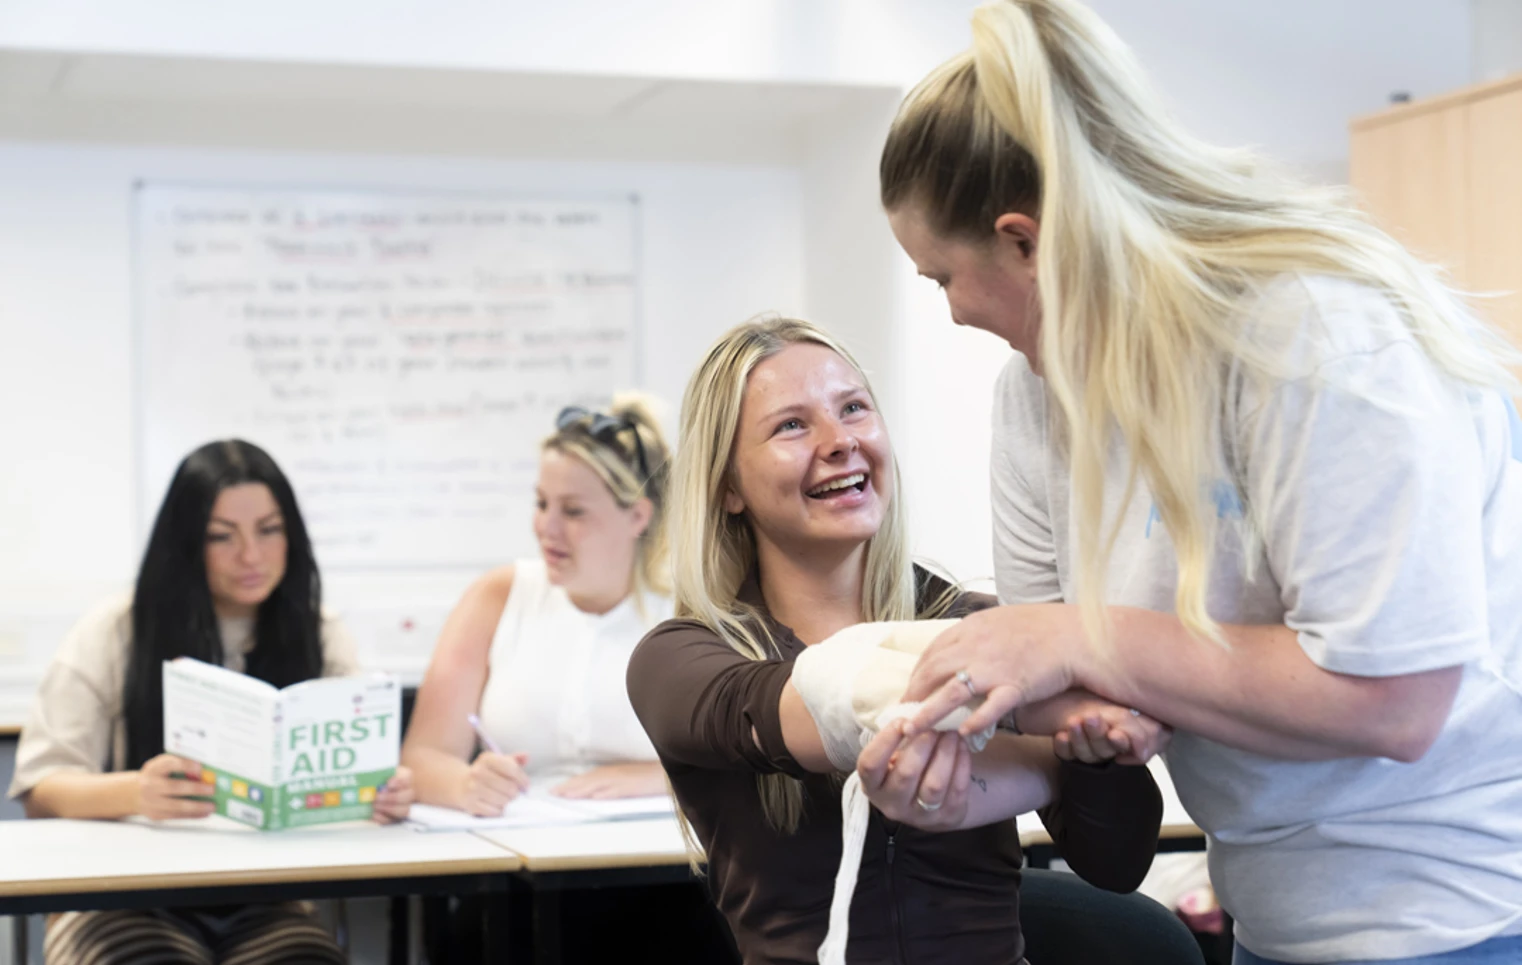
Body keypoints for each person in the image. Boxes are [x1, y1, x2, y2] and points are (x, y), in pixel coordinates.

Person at [875, 2, 1522, 963]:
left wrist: (1078, 642)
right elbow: (1056, 678)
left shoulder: (1318, 335)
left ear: (1025, 241)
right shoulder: (1034, 402)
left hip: (1462, 914)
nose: (955, 311)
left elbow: (1394, 700)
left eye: (940, 278)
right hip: (1275, 915)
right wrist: (1078, 705)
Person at [626, 316, 1168, 965]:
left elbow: (1116, 861)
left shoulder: (984, 622)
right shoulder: (682, 659)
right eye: (791, 425)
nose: (839, 441)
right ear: (729, 487)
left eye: (853, 408)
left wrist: (1088, 749)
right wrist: (1059, 688)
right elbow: (824, 702)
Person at [9, 439, 413, 965]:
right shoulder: (116, 630)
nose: (251, 555)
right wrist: (137, 792)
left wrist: (386, 790)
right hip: (120, 899)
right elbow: (41, 788)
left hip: (268, 901)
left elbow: (368, 766)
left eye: (269, 530)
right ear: (185, 544)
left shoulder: (319, 632)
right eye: (222, 537)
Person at [402, 396, 734, 963]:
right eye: (541, 503)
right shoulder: (499, 596)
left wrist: (661, 776)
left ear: (638, 515)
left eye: (574, 511)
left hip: (665, 891)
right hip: (517, 883)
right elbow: (423, 757)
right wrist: (465, 785)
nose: (546, 528)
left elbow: (751, 764)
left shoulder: (691, 611)